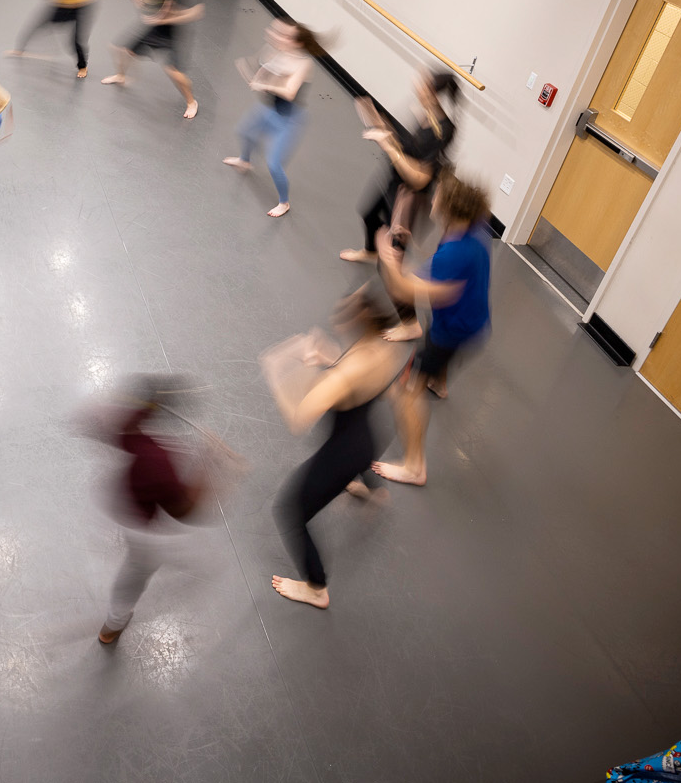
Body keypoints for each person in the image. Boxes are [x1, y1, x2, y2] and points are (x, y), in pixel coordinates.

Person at [265, 289, 410, 609]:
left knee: (290, 511)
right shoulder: (381, 346)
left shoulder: (344, 375)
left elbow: (298, 418)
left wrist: (278, 368)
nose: (341, 305)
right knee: (358, 453)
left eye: (349, 303)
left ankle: (316, 588)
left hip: (344, 453)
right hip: (367, 439)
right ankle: (375, 491)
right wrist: (328, 358)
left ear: (361, 317)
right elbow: (357, 378)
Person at [92, 374, 242, 644]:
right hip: (145, 531)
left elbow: (104, 425)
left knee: (145, 565)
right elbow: (184, 510)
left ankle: (115, 620)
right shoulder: (158, 463)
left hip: (123, 503)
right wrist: (211, 466)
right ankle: (112, 625)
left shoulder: (127, 426)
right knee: (140, 571)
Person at [371, 171, 492, 487]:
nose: (433, 199)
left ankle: (414, 467)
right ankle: (439, 383)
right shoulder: (472, 231)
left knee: (405, 391)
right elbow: (438, 266)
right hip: (473, 324)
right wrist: (410, 247)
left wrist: (387, 256)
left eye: (437, 195)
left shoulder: (454, 254)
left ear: (448, 207)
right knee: (437, 347)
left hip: (452, 332)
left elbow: (405, 290)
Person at [341, 71, 461, 337]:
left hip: (409, 198)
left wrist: (389, 147)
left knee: (390, 266)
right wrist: (378, 120)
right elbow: (408, 147)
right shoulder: (425, 115)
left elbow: (419, 178)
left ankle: (411, 323)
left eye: (424, 85)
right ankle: (370, 251)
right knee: (368, 214)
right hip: (394, 182)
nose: (418, 86)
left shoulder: (444, 130)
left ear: (435, 95)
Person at [223, 19, 326, 219]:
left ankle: (284, 202)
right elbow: (265, 72)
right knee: (244, 132)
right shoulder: (278, 53)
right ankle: (245, 161)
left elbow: (289, 92)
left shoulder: (304, 64)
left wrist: (264, 85)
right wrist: (259, 77)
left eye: (286, 36)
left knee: (274, 164)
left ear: (298, 43)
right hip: (270, 110)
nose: (280, 37)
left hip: (289, 119)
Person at [104, 0, 203, 119]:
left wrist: (164, 19)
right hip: (151, 30)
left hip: (171, 35)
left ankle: (192, 102)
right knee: (121, 50)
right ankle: (121, 76)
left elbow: (195, 12)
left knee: (174, 72)